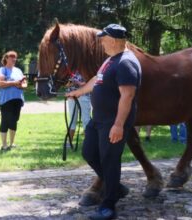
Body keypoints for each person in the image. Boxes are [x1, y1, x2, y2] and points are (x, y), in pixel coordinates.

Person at [66, 24, 141, 220]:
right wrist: (78, 92)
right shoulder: (111, 60)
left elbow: (128, 95)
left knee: (109, 159)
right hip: (98, 119)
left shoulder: (126, 63)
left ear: (114, 41)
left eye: (104, 39)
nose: (101, 42)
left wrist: (118, 125)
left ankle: (109, 206)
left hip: (113, 121)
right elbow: (95, 80)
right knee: (88, 152)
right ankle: (115, 186)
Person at [0, 51, 27, 151]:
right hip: (6, 100)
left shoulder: (18, 70)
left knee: (14, 121)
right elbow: (0, 84)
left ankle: (12, 143)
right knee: (5, 121)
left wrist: (21, 85)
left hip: (18, 99)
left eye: (15, 57)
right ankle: (4, 145)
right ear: (6, 58)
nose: (14, 59)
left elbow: (25, 84)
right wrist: (14, 83)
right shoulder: (2, 70)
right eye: (11, 57)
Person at [65, 71, 92, 148]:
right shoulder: (69, 69)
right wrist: (71, 83)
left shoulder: (85, 68)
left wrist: (79, 83)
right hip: (72, 97)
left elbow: (90, 82)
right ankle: (69, 142)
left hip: (84, 95)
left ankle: (89, 142)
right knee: (72, 120)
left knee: (86, 120)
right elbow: (66, 85)